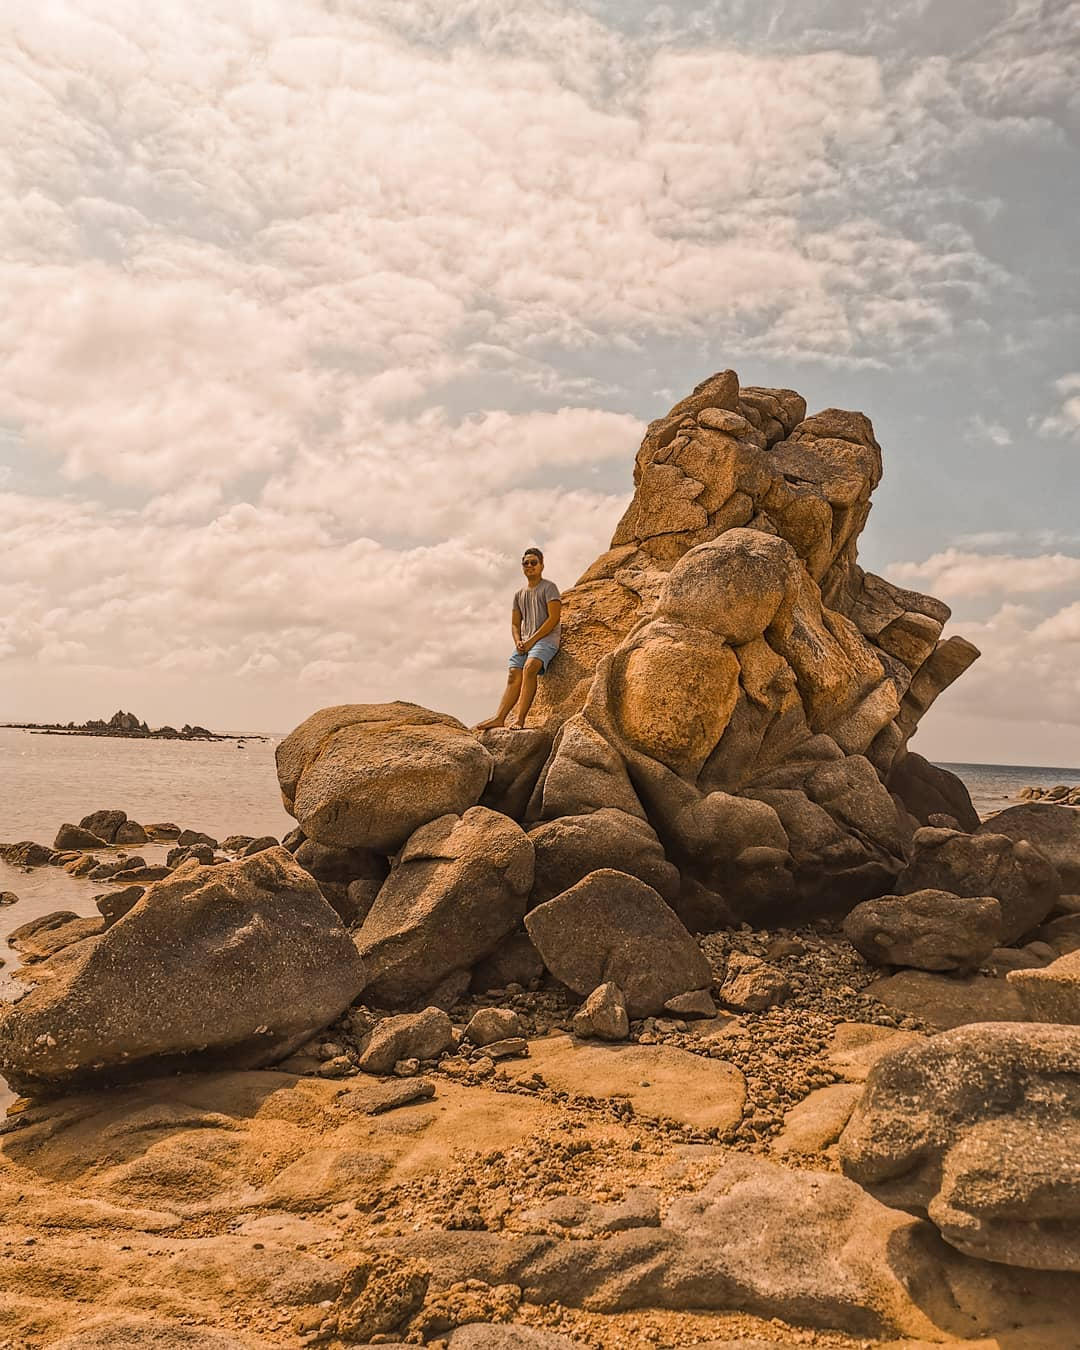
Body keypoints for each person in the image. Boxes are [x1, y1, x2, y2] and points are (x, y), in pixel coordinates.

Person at [475, 547, 562, 730]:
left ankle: (520, 719)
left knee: (530, 668)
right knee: (514, 673)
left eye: (533, 562)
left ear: (541, 565)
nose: (529, 566)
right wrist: (518, 641)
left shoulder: (549, 588)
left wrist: (531, 641)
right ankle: (499, 718)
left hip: (546, 639)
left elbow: (553, 618)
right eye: (526, 563)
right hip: (525, 641)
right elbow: (515, 623)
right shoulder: (519, 594)